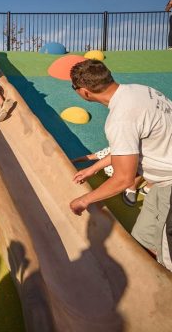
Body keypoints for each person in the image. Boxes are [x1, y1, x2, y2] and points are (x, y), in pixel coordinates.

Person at [68, 60, 172, 271]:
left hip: (170, 185)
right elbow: (128, 147)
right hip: (161, 184)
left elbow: (124, 178)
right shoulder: (141, 91)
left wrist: (84, 200)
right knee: (142, 241)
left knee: (167, 253)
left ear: (85, 92)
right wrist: (93, 168)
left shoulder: (120, 118)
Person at [71, 147, 150, 206]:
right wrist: (74, 161)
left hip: (134, 169)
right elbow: (89, 157)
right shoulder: (108, 152)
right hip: (117, 170)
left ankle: (136, 187)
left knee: (140, 170)